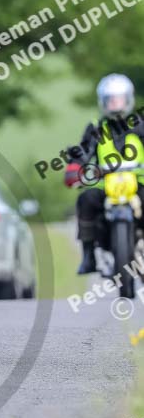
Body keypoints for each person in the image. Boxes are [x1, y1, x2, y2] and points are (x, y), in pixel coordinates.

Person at [65, 74, 144, 274]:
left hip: (139, 180)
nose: (115, 104)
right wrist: (75, 168)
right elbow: (83, 152)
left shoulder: (140, 124)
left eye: (119, 99)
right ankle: (88, 255)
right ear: (103, 101)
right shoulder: (96, 127)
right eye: (111, 100)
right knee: (86, 199)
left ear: (128, 99)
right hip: (105, 184)